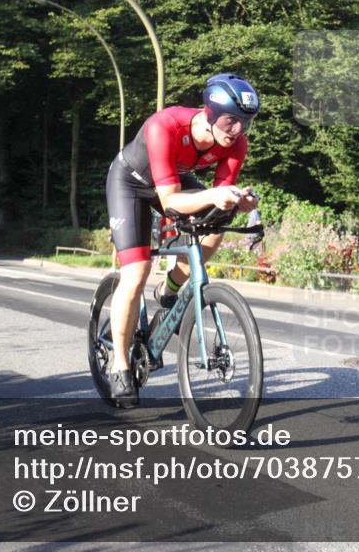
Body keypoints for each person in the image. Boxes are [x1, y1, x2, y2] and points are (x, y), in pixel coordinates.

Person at [104, 73, 260, 407]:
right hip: (130, 183)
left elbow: (219, 200)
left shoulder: (237, 143)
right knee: (136, 272)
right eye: (231, 122)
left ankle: (170, 291)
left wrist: (237, 200)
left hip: (172, 178)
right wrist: (215, 194)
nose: (237, 132)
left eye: (245, 124)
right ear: (210, 114)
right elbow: (172, 201)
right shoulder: (166, 125)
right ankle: (119, 364)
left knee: (216, 224)